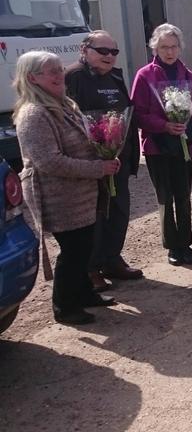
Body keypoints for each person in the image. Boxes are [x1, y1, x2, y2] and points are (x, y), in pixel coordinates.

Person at [15, 51, 121, 325]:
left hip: (79, 192)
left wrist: (104, 153)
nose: (59, 74)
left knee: (84, 245)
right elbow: (50, 162)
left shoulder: (62, 104)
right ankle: (64, 306)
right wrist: (98, 168)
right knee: (73, 250)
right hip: (58, 195)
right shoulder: (34, 114)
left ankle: (84, 293)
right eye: (51, 71)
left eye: (60, 69)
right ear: (32, 78)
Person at [64, 31, 143, 293]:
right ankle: (91, 267)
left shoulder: (117, 76)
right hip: (93, 160)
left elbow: (127, 112)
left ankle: (112, 259)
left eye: (114, 52)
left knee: (119, 210)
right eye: (103, 51)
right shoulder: (74, 77)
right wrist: (97, 153)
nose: (109, 56)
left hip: (118, 157)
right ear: (85, 49)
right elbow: (72, 121)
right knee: (97, 214)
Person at [131, 23, 192, 266]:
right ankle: (172, 246)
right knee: (166, 197)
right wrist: (164, 126)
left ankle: (185, 244)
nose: (170, 52)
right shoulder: (145, 75)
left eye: (174, 47)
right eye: (164, 47)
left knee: (184, 195)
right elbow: (138, 114)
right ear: (155, 47)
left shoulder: (188, 75)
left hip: (184, 145)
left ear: (180, 48)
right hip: (157, 146)